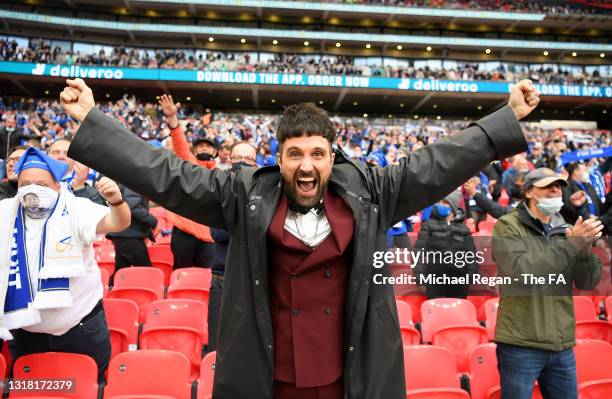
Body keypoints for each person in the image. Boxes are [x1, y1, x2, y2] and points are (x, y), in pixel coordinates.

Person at [60, 77, 539, 399]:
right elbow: (166, 174)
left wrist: (507, 115)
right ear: (279, 158)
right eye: (294, 154)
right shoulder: (242, 191)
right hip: (268, 377)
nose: (306, 165)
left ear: (333, 157)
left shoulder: (374, 190)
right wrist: (91, 123)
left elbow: (442, 161)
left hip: (346, 377)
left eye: (316, 153)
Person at [0, 147, 131, 383]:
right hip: (26, 332)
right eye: (25, 183)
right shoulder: (6, 211)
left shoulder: (75, 208)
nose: (32, 189)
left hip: (80, 329)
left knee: (87, 389)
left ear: (58, 186)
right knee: (34, 393)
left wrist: (116, 200)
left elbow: (117, 222)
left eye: (41, 184)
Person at [492, 168, 602, 399]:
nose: (556, 190)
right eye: (547, 186)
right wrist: (571, 246)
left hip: (561, 344)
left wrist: (584, 251)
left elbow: (588, 281)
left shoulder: (566, 229)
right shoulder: (507, 226)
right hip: (521, 343)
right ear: (529, 192)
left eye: (559, 186)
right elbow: (523, 271)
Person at [208, 141, 259, 353]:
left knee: (248, 342)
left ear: (256, 164)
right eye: (238, 158)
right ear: (230, 160)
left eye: (248, 160)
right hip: (222, 275)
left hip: (252, 279)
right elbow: (217, 233)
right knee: (218, 339)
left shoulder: (263, 191)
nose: (243, 163)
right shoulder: (219, 189)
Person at [159, 95, 215, 269]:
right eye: (201, 146)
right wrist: (172, 118)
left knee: (205, 280)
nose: (204, 148)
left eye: (208, 146)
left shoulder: (221, 174)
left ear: (215, 151)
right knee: (182, 275)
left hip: (208, 237)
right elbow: (180, 144)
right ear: (195, 150)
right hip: (184, 233)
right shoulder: (190, 164)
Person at [414, 191, 477, 299]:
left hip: (459, 280)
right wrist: (420, 279)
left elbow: (471, 256)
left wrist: (469, 278)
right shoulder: (428, 225)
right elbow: (418, 254)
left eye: (445, 202)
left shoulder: (464, 229)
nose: (440, 205)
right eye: (439, 202)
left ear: (453, 206)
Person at [106, 184, 158, 281]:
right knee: (148, 274)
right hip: (129, 236)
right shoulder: (134, 179)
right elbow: (133, 207)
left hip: (124, 234)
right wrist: (154, 222)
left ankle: (109, 291)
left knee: (120, 273)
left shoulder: (129, 177)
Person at [47, 139, 105, 206]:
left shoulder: (94, 178)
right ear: (47, 155)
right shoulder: (35, 177)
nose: (61, 157)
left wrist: (80, 188)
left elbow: (101, 213)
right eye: (56, 152)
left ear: (74, 158)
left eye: (67, 153)